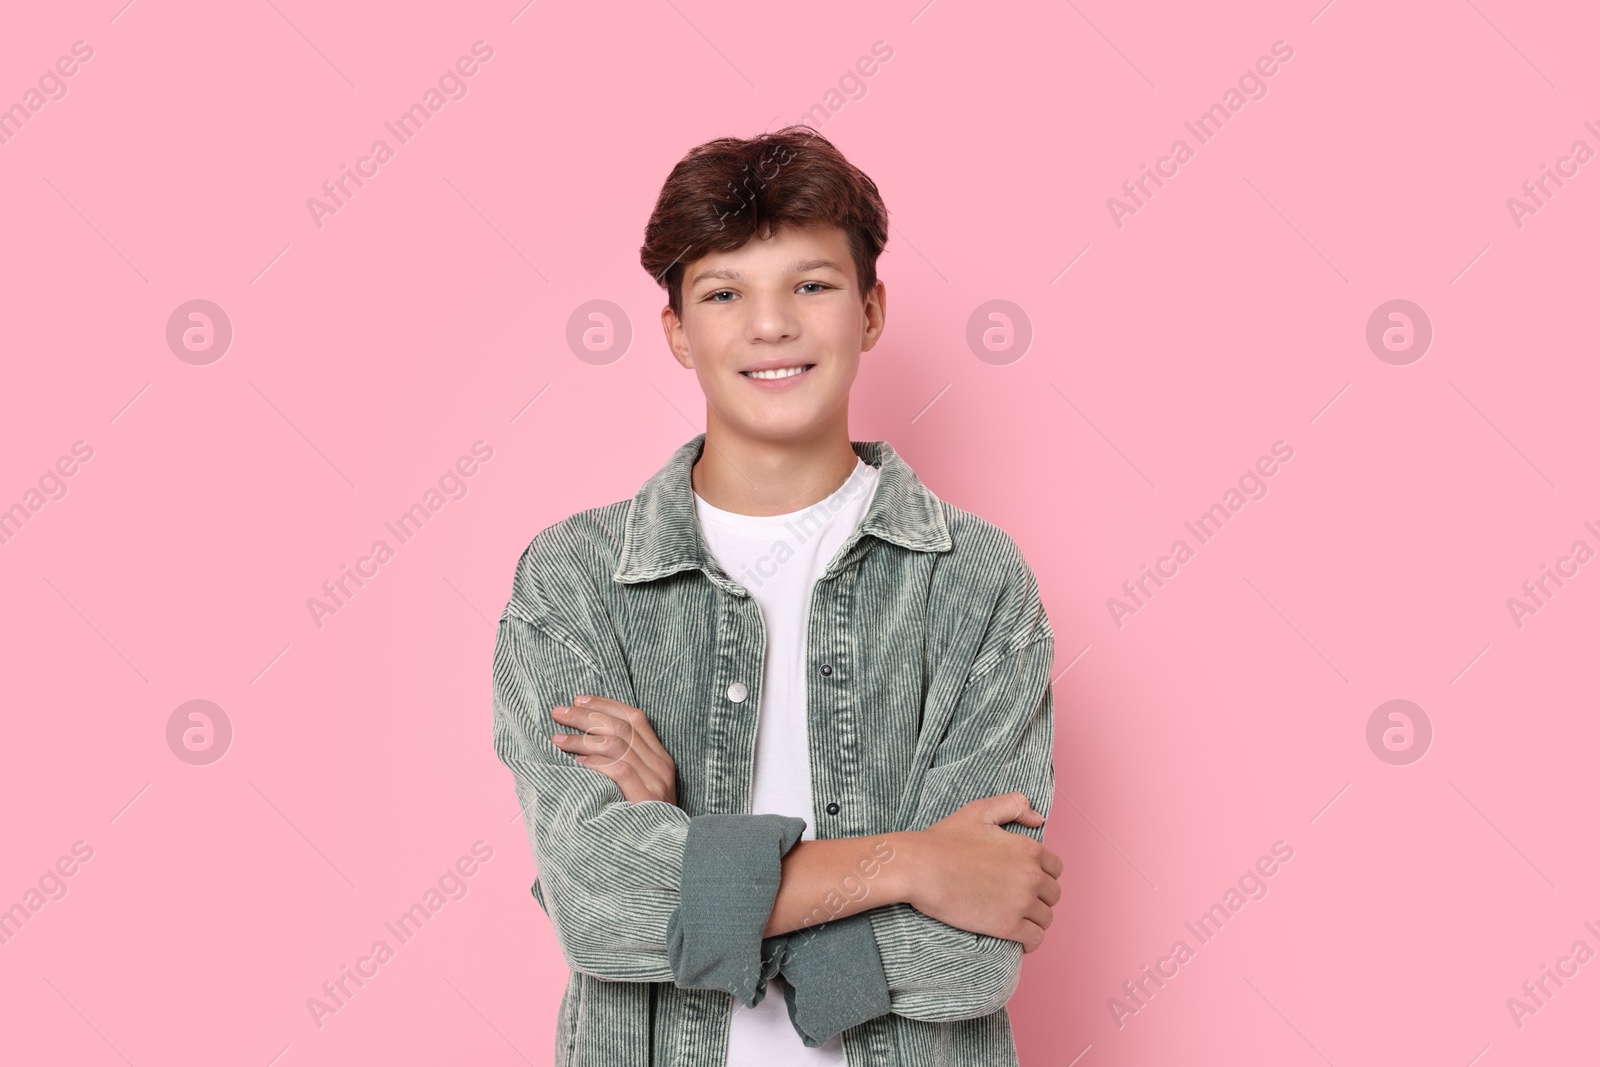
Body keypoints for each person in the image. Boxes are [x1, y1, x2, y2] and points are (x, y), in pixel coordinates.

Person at [491, 125, 1062, 1067]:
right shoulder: (577, 579)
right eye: (724, 293)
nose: (771, 326)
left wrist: (684, 857)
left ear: (871, 311)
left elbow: (970, 953)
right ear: (678, 329)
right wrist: (915, 865)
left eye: (811, 284)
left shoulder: (975, 579)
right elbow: (599, 904)